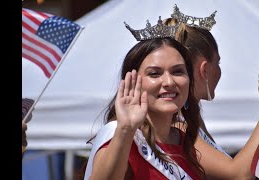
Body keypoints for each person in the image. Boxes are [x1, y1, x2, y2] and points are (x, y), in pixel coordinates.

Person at [162, 4, 259, 179]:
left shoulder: (189, 117)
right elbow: (238, 174)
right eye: (217, 63)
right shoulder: (177, 124)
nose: (219, 71)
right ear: (204, 69)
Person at [84, 17, 205, 179]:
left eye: (178, 71)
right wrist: (126, 129)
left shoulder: (184, 141)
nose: (169, 82)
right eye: (154, 73)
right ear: (132, 82)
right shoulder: (123, 137)